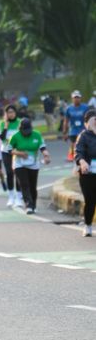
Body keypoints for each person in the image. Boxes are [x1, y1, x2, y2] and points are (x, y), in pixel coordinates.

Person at [10, 118, 50, 214]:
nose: (26, 133)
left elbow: (42, 147)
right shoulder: (15, 136)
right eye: (24, 131)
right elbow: (9, 150)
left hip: (33, 164)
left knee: (32, 186)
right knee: (24, 184)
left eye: (28, 131)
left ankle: (33, 205)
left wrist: (46, 155)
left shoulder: (37, 135)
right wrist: (19, 153)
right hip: (19, 164)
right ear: (20, 129)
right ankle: (28, 205)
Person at [74, 109, 96, 237]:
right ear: (86, 123)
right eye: (93, 121)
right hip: (87, 174)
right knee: (90, 200)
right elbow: (78, 152)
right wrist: (82, 162)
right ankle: (88, 225)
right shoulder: (83, 136)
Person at [0, 104, 23, 207]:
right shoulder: (2, 123)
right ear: (6, 114)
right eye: (8, 112)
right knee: (9, 173)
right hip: (6, 151)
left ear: (15, 113)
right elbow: (2, 137)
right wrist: (5, 126)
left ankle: (18, 197)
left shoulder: (20, 122)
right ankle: (11, 197)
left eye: (12, 112)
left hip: (17, 151)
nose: (11, 114)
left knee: (18, 173)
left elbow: (23, 136)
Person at [63, 91, 88, 162]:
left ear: (80, 98)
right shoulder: (69, 109)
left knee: (85, 144)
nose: (76, 99)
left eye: (78, 97)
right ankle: (74, 157)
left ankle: (84, 156)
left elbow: (90, 118)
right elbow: (66, 121)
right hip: (73, 130)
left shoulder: (85, 107)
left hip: (83, 129)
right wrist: (65, 133)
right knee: (73, 144)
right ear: (72, 98)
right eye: (75, 98)